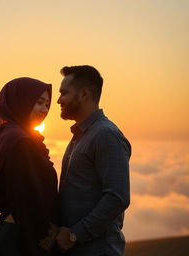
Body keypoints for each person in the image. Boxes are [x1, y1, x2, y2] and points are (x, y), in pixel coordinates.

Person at [55, 65, 131, 256]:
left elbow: (117, 197)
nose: (58, 100)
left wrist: (74, 235)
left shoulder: (106, 134)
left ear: (83, 94)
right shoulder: (81, 135)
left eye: (64, 93)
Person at [0, 77, 59, 256]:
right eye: (38, 102)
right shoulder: (20, 142)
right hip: (21, 238)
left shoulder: (9, 136)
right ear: (20, 101)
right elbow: (29, 198)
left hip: (14, 234)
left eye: (47, 104)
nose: (44, 110)